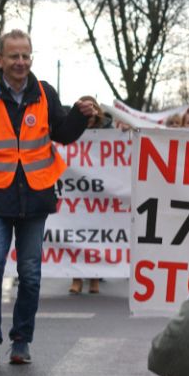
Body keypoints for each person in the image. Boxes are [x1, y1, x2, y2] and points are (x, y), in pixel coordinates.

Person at [0, 29, 96, 367]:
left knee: (30, 272)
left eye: (25, 55)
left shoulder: (44, 93)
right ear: (0, 60)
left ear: (31, 58)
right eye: (14, 56)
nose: (20, 62)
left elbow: (63, 134)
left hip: (36, 197)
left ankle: (21, 341)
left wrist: (81, 117)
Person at [69, 95, 110, 295]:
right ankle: (76, 277)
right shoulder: (70, 130)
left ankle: (94, 277)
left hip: (100, 195)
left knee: (96, 236)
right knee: (77, 235)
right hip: (76, 194)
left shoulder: (108, 132)